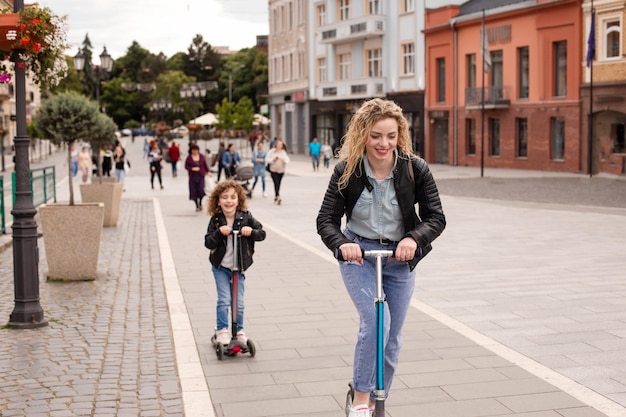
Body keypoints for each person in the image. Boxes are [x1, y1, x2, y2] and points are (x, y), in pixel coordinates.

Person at [316, 98, 446, 417]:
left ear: (399, 134)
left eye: (390, 135)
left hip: (399, 259)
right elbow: (326, 220)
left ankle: (379, 399)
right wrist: (342, 244)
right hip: (360, 255)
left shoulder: (415, 169)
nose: (383, 143)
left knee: (393, 337)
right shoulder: (347, 171)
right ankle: (361, 399)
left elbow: (436, 218)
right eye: (376, 135)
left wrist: (414, 239)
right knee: (377, 321)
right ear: (363, 134)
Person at [204, 179, 266, 346]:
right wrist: (219, 233)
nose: (229, 201)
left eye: (232, 197)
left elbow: (262, 233)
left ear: (239, 200)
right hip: (221, 267)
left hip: (238, 268)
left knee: (238, 302)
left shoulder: (245, 217)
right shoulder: (216, 220)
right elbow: (208, 242)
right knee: (224, 299)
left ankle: (238, 331)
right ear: (218, 200)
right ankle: (222, 329)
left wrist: (250, 231)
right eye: (224, 197)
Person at [185, 144, 210, 211]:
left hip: (201, 175)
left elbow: (205, 165)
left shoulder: (201, 156)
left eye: (196, 150)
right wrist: (192, 168)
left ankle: (200, 202)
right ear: (191, 150)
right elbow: (186, 166)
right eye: (194, 150)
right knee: (194, 191)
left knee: (201, 190)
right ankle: (197, 205)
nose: (195, 151)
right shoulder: (189, 158)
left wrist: (208, 171)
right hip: (193, 176)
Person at [265, 139, 290, 205]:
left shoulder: (283, 152)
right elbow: (267, 159)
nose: (279, 146)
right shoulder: (271, 152)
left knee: (278, 183)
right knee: (276, 182)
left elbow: (287, 159)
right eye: (278, 144)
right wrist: (273, 160)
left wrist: (284, 160)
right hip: (273, 170)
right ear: (276, 145)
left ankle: (276, 195)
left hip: (281, 170)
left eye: (281, 145)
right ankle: (278, 196)